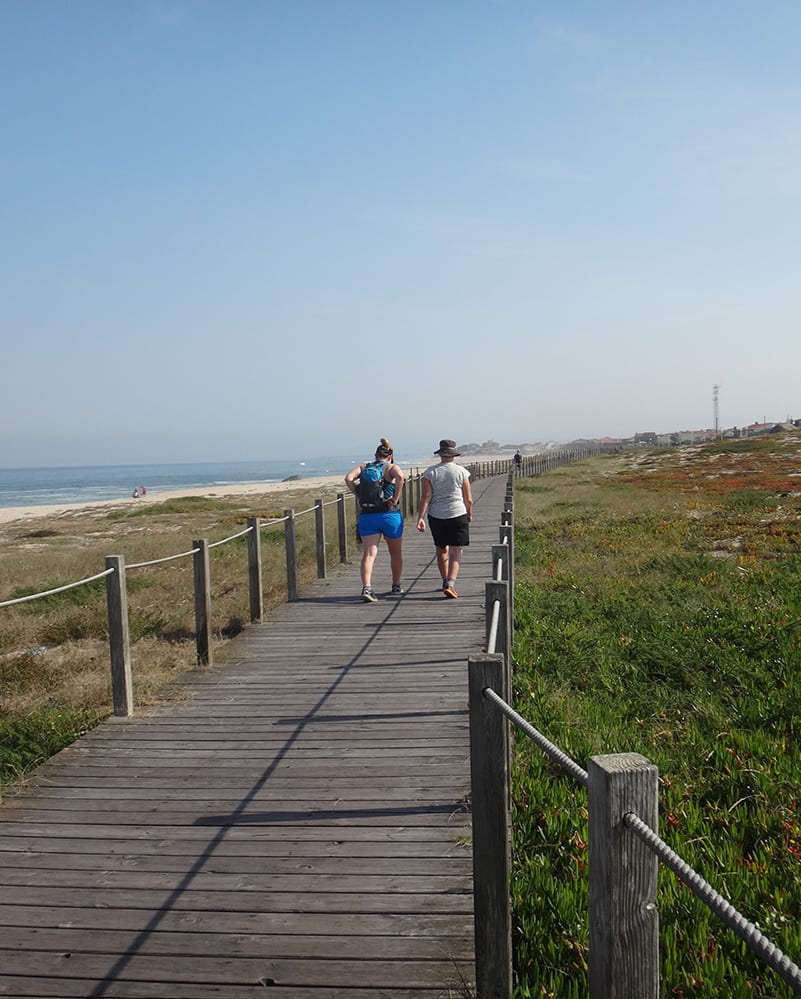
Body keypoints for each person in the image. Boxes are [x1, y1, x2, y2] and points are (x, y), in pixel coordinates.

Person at [344, 438, 405, 603]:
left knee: (369, 554)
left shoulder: (364, 467)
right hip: (389, 515)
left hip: (368, 515)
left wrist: (357, 494)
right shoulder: (391, 467)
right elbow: (400, 477)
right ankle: (396, 585)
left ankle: (367, 587)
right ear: (390, 456)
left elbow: (348, 478)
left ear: (376, 455)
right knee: (395, 552)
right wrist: (395, 498)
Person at [416, 439, 473, 599]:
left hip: (436, 515)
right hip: (457, 513)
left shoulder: (430, 472)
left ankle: (444, 580)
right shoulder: (462, 472)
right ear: (453, 455)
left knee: (441, 549)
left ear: (440, 454)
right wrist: (469, 513)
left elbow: (426, 497)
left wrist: (420, 518)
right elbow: (468, 498)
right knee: (456, 550)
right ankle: (451, 583)